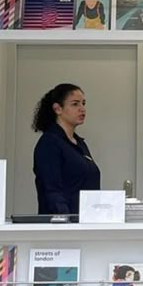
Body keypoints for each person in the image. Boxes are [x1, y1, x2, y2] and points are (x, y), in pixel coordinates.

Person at [32, 83, 101, 215]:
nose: (82, 109)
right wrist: (65, 221)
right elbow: (51, 190)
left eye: (83, 103)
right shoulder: (50, 143)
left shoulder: (79, 144)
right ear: (58, 109)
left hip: (86, 221)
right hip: (64, 224)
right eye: (75, 104)